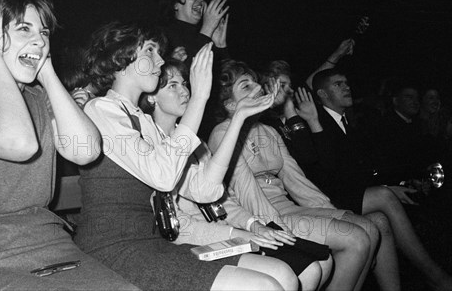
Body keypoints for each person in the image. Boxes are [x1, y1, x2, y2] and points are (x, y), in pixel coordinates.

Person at [0, 0, 137, 291]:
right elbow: (19, 143)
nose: (39, 41)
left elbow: (86, 151)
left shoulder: (39, 98)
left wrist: (47, 72)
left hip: (52, 245)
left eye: (44, 33)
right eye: (24, 29)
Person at [76, 21, 287, 290]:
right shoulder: (102, 109)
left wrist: (240, 118)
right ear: (121, 57)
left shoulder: (146, 123)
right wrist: (199, 98)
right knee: (265, 287)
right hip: (111, 247)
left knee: (281, 274)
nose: (161, 60)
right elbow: (162, 178)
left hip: (151, 245)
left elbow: (206, 191)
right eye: (150, 51)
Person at [140, 59, 330, 290]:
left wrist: (254, 225)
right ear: (151, 97)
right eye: (172, 86)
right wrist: (240, 233)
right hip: (193, 242)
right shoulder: (149, 145)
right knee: (294, 274)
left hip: (225, 232)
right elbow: (178, 226)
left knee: (319, 264)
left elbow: (221, 200)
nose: (185, 91)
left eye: (184, 84)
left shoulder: (196, 142)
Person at [210, 60, 377, 291]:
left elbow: (295, 179)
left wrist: (328, 210)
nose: (257, 90)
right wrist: (275, 229)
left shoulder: (268, 130)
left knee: (369, 229)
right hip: (261, 218)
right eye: (246, 87)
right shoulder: (222, 134)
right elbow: (248, 193)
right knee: (356, 240)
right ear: (229, 104)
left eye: (256, 84)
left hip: (287, 207)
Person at [260, 60, 400, 290]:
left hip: (313, 195)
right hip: (293, 202)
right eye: (282, 86)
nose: (289, 92)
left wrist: (312, 120)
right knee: (369, 224)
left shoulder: (294, 120)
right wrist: (293, 114)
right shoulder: (267, 125)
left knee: (378, 223)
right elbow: (307, 164)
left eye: (288, 86)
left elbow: (323, 163)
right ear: (265, 87)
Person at [311, 68, 452, 291]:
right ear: (322, 94)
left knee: (380, 221)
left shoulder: (344, 123)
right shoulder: (316, 122)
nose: (347, 87)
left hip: (350, 192)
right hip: (325, 197)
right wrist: (384, 189)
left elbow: (361, 171)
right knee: (385, 197)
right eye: (338, 84)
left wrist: (389, 185)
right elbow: (329, 174)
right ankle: (435, 276)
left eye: (346, 82)